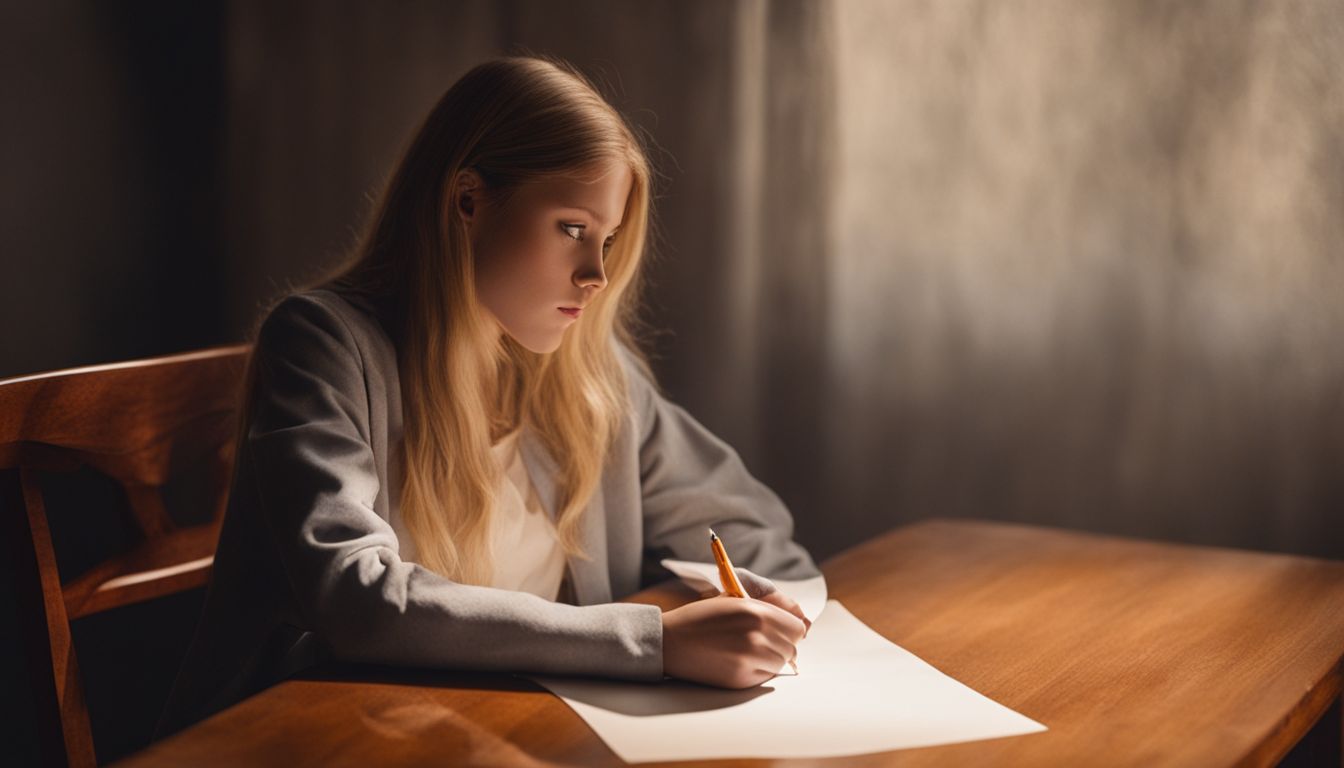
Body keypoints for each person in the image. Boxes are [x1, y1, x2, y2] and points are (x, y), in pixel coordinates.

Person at [158, 54, 819, 738]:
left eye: (609, 238)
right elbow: (357, 599)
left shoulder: (586, 375)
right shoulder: (322, 345)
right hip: (321, 738)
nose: (596, 273)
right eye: (572, 228)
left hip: (498, 730)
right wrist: (654, 642)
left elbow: (749, 529)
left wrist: (749, 601)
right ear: (468, 200)